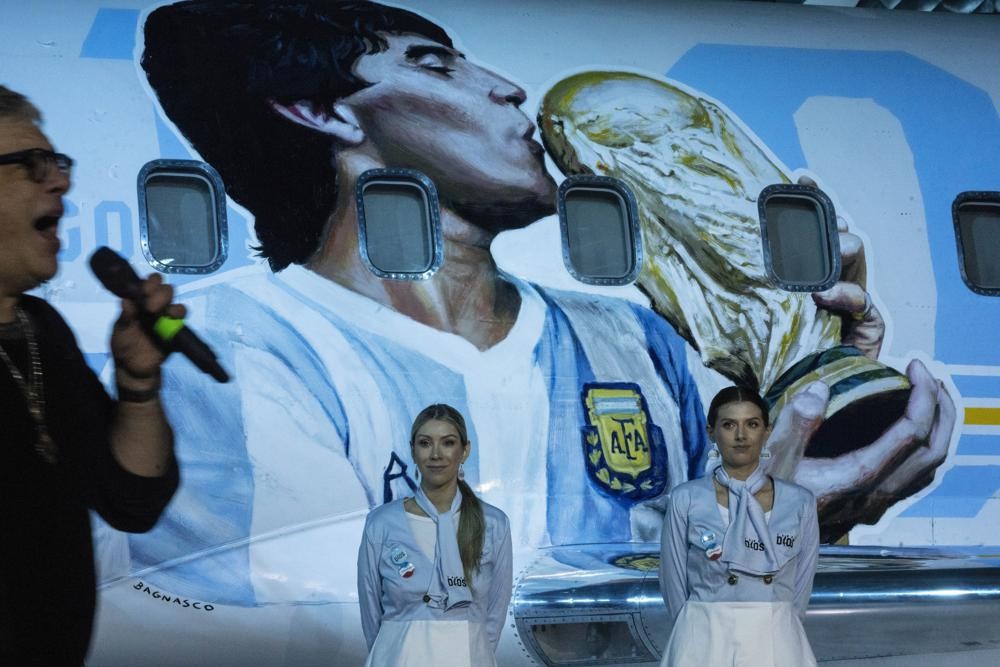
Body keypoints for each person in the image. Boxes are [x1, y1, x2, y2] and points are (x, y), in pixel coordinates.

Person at [126, 0, 950, 606]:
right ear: (321, 110)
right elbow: (308, 622)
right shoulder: (233, 349)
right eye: (433, 65)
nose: (513, 90)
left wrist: (813, 421)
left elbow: (738, 563)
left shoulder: (630, 336)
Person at [0, 85, 180, 663]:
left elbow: (130, 500)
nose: (60, 182)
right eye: (31, 165)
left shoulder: (39, 328)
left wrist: (137, 385)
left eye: (57, 163)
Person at [659, 386, 819, 666]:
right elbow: (672, 583)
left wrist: (778, 620)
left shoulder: (800, 502)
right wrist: (695, 626)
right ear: (712, 432)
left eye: (752, 424)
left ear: (767, 431)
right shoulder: (686, 498)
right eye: (729, 424)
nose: (741, 436)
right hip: (703, 635)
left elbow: (801, 586)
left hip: (776, 635)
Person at [357, 404, 512, 667]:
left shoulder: (493, 523)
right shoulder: (381, 523)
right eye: (425, 443)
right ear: (413, 451)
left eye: (448, 443)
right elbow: (371, 615)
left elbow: (495, 614)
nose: (436, 454)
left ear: (465, 450)